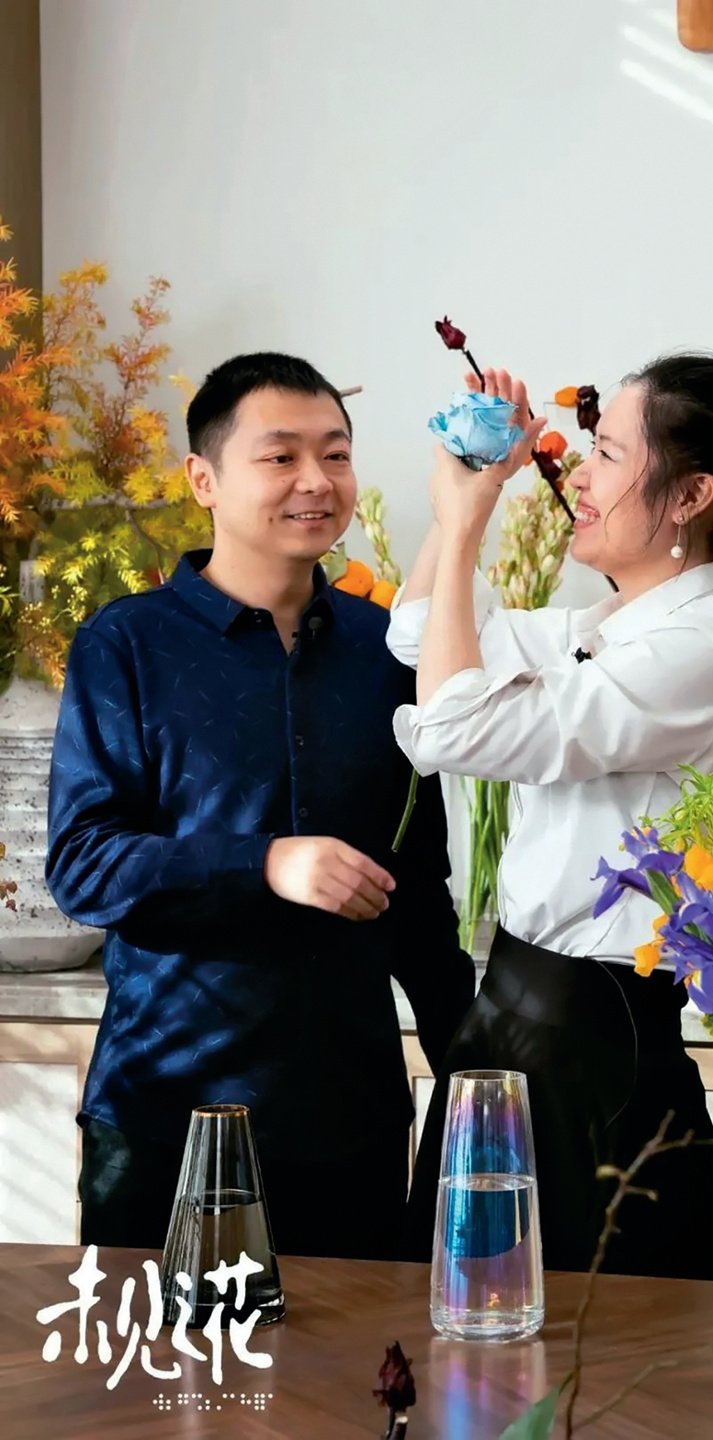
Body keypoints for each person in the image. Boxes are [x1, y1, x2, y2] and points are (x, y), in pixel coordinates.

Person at [387, 354, 713, 1278]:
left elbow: (448, 728)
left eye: (606, 453)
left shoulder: (695, 651)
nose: (579, 477)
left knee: (599, 1369)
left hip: (600, 1048)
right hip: (513, 1022)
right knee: (470, 1367)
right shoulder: (610, 624)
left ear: (691, 494)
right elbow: (418, 631)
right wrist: (469, 499)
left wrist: (469, 526)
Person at [46, 352, 474, 1260]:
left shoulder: (389, 647)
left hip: (348, 1126)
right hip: (165, 1115)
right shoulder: (125, 644)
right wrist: (267, 861)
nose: (317, 482)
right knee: (156, 1395)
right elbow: (84, 864)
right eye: (280, 457)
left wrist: (480, 1083)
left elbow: (419, 893)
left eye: (336, 454)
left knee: (352, 1397)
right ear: (203, 477)